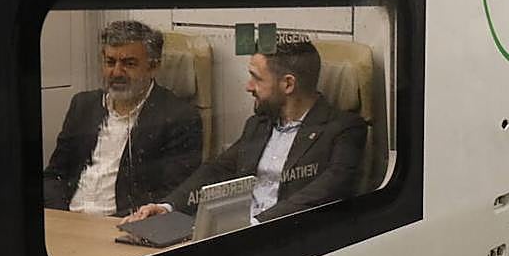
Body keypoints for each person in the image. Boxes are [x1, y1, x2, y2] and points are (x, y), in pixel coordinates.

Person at [124, 38, 365, 225]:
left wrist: (257, 224)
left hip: (290, 240)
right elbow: (216, 170)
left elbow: (328, 190)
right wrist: (168, 207)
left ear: (288, 84)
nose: (248, 86)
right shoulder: (258, 125)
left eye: (256, 78)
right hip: (236, 236)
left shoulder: (343, 129)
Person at [43, 20, 202, 217]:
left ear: (153, 67)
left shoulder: (179, 117)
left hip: (123, 224)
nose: (116, 72)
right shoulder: (83, 105)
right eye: (110, 62)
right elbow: (54, 175)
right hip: (68, 219)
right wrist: (59, 217)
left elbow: (170, 194)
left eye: (129, 64)